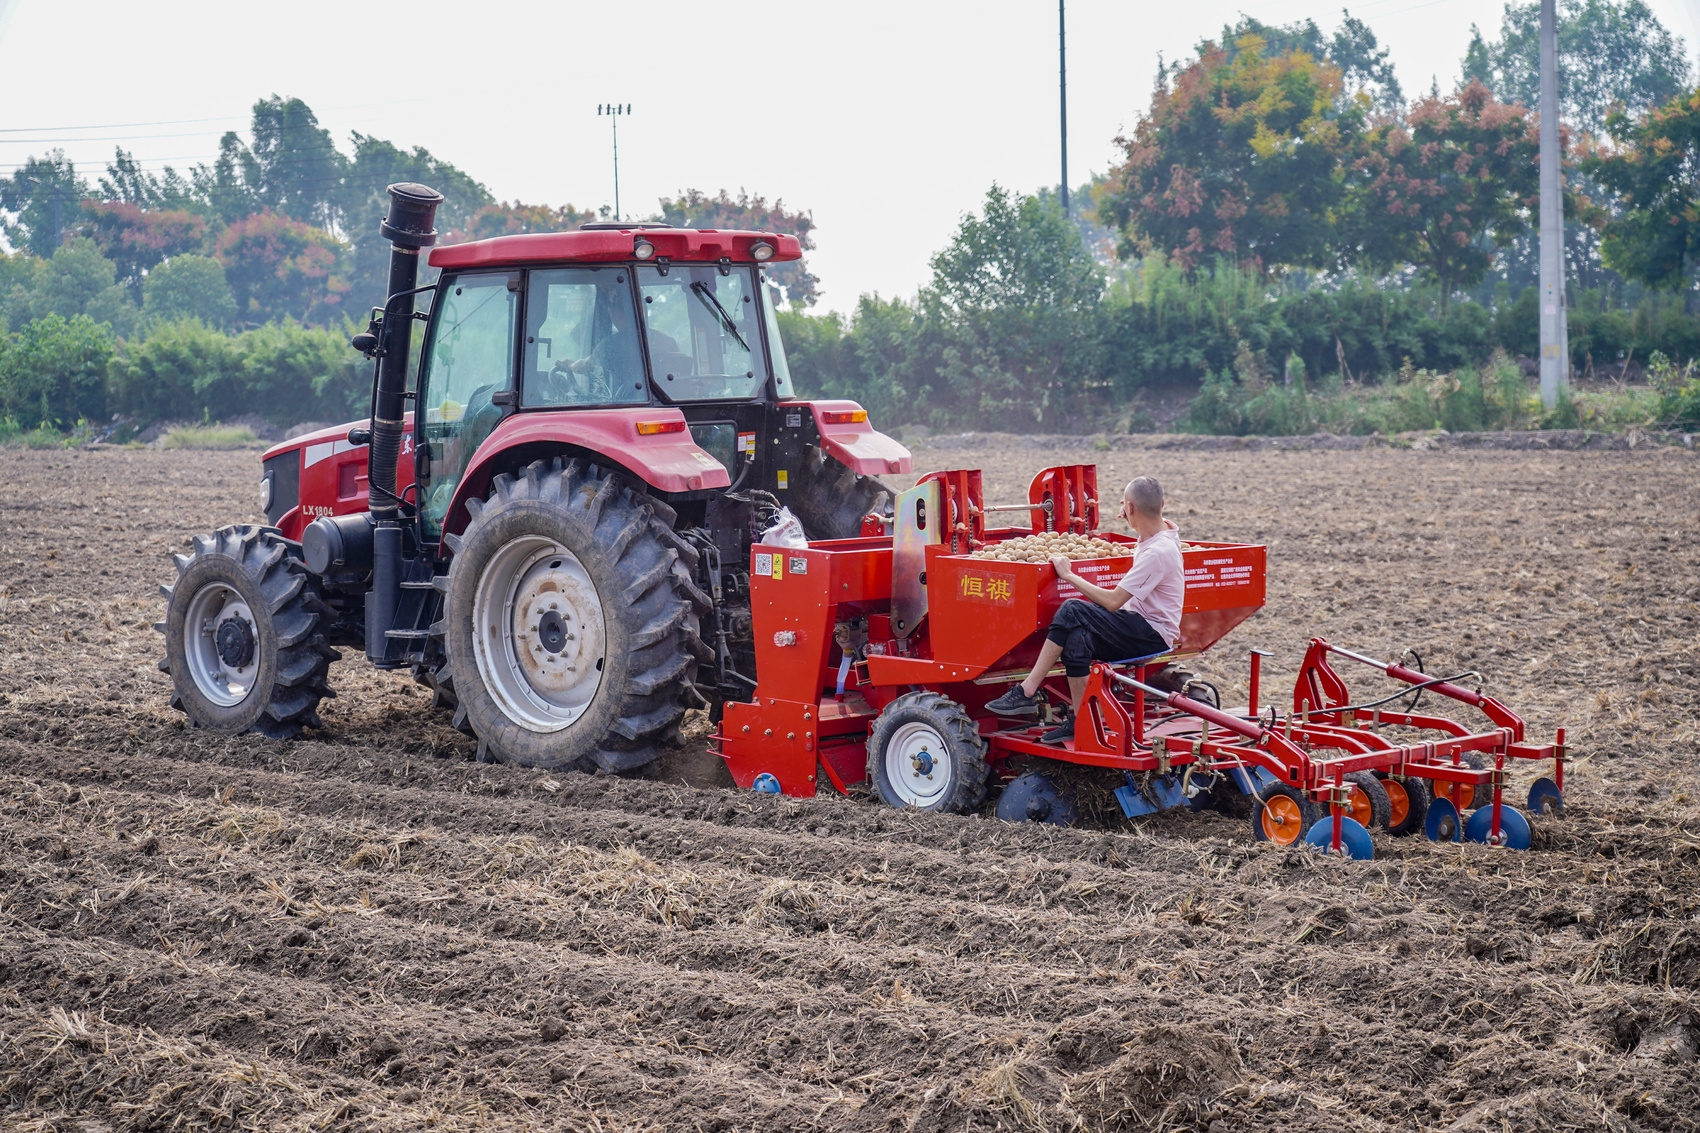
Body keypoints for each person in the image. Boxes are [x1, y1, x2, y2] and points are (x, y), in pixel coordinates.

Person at [984, 476, 1185, 744]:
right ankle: (1081, 722)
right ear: (1162, 504)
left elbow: (1113, 602)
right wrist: (1132, 513)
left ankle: (1027, 689)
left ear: (1131, 508)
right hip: (1142, 624)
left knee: (1072, 610)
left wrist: (1068, 575)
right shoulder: (1162, 535)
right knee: (1077, 639)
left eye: (1125, 508)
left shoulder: (1157, 552)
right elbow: (1151, 525)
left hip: (1151, 632)